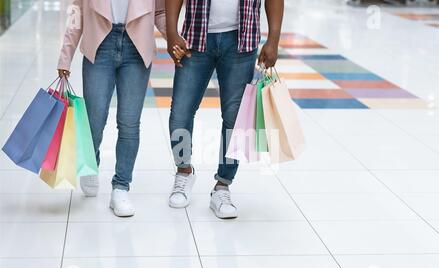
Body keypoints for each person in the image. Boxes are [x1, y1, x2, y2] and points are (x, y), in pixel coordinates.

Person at [166, 0, 284, 219]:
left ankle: (222, 185)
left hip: (241, 41)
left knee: (234, 119)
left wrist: (273, 39)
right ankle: (183, 171)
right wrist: (172, 31)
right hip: (195, 39)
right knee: (180, 113)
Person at [57, 0, 166, 217]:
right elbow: (76, 13)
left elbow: (160, 12)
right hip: (100, 44)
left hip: (137, 47)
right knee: (94, 119)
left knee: (129, 123)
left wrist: (176, 40)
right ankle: (91, 161)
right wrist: (65, 56)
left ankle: (121, 187)